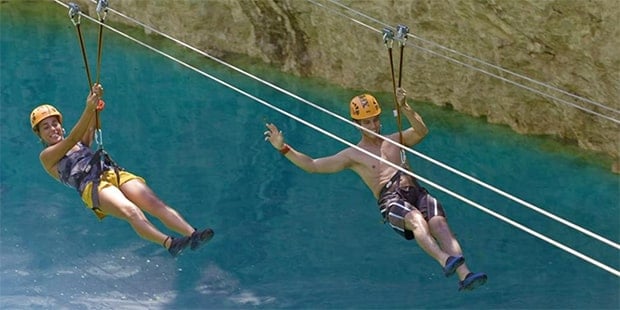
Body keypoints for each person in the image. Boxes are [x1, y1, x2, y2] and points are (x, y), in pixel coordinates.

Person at [264, 88, 487, 291]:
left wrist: (406, 108)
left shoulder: (395, 139)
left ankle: (465, 275)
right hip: (390, 199)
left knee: (440, 224)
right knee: (416, 219)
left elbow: (421, 131)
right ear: (357, 124)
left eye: (375, 120)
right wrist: (283, 148)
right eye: (367, 122)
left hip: (415, 190)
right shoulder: (353, 155)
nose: (373, 126)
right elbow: (313, 165)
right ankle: (444, 260)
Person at [31, 83, 213, 257]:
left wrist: (96, 107)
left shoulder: (78, 143)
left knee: (154, 203)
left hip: (110, 172)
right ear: (39, 135)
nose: (52, 129)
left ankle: (193, 234)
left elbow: (90, 129)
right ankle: (170, 243)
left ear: (61, 125)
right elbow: (71, 139)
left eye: (54, 123)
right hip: (92, 186)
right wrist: (88, 108)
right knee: (131, 211)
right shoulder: (47, 156)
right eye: (45, 127)